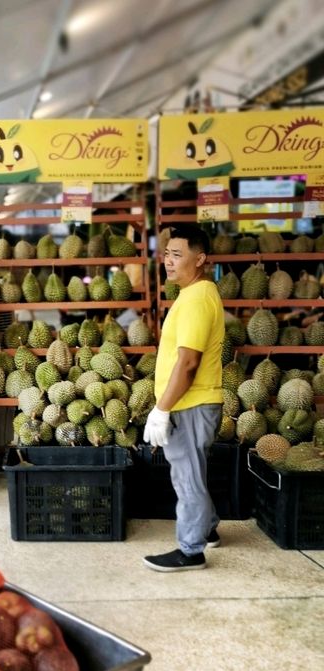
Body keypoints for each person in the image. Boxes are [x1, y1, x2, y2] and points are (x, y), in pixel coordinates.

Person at [142, 224, 224, 572]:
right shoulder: (193, 295)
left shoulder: (197, 298)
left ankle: (191, 550)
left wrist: (162, 410)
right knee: (194, 472)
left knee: (186, 478)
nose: (168, 262)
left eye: (177, 255)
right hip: (193, 402)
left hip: (189, 403)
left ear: (200, 258)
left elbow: (188, 363)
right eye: (166, 254)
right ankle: (208, 528)